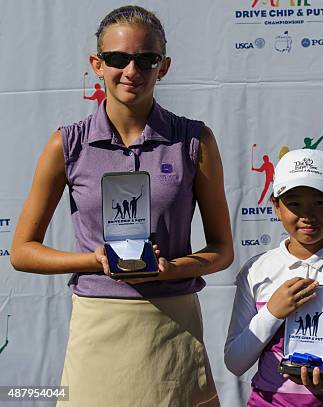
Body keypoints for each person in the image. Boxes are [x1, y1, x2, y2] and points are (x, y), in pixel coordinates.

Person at [10, 5, 233, 407]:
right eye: (118, 58)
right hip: (98, 326)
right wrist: (94, 260)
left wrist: (172, 269)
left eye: (146, 59)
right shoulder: (67, 144)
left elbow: (222, 250)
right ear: (97, 64)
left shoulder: (196, 141)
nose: (132, 70)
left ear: (162, 66)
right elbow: (23, 252)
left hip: (172, 327)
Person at [225, 149, 323, 406]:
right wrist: (273, 313)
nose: (307, 215)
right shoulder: (257, 270)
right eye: (294, 203)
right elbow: (235, 361)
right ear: (276, 206)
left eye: (320, 202)